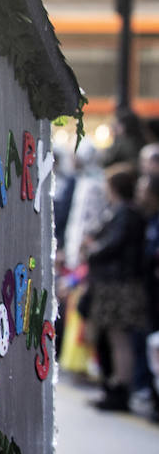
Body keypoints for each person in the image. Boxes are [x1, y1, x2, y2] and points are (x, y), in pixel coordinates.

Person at [83, 163, 148, 412]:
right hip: (115, 283)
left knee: (119, 338)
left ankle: (121, 388)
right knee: (114, 337)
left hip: (119, 285)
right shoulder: (123, 212)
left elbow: (113, 245)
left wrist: (92, 249)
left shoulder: (127, 213)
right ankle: (116, 385)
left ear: (115, 188)